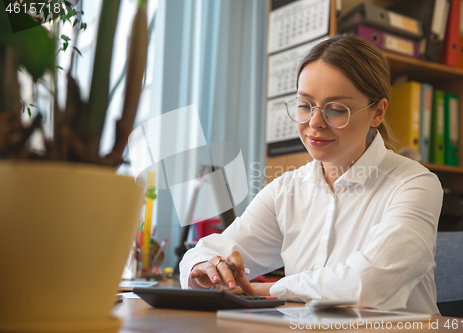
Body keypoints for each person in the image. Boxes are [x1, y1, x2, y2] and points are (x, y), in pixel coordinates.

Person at [179, 35, 443, 314]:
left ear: (377, 112)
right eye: (305, 105)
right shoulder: (287, 190)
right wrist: (206, 269)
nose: (314, 123)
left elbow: (366, 284)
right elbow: (209, 251)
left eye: (337, 110)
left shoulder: (415, 185)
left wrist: (266, 291)